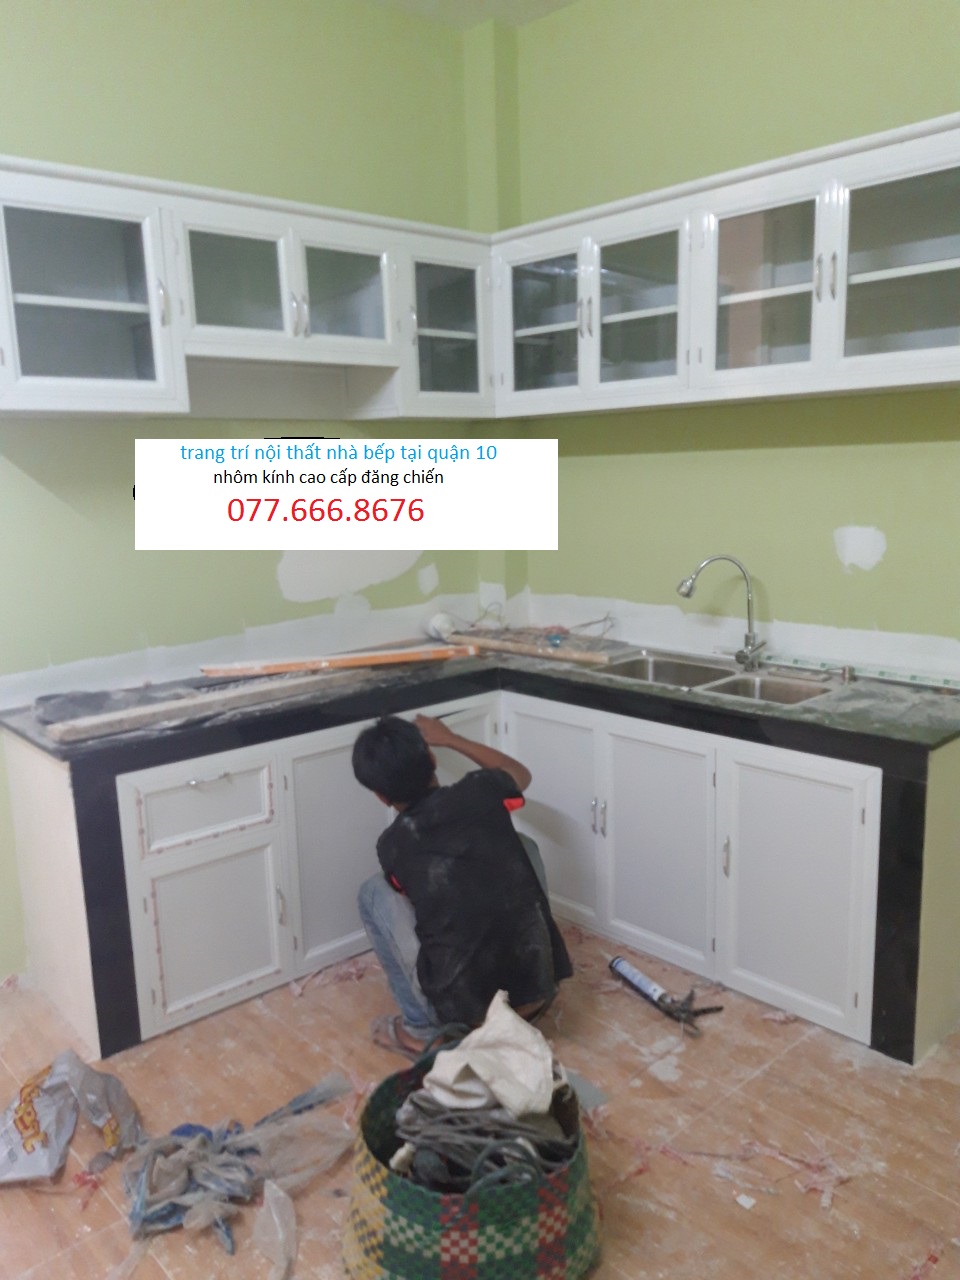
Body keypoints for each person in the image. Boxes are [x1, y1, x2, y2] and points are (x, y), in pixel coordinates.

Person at [352, 713, 572, 1059]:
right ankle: (533, 987)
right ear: (432, 758)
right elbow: (521, 774)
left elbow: (413, 897)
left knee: (373, 892)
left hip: (468, 1017)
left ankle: (421, 1031)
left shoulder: (392, 845)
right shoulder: (482, 789)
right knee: (522, 845)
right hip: (536, 997)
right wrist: (450, 738)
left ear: (381, 796)